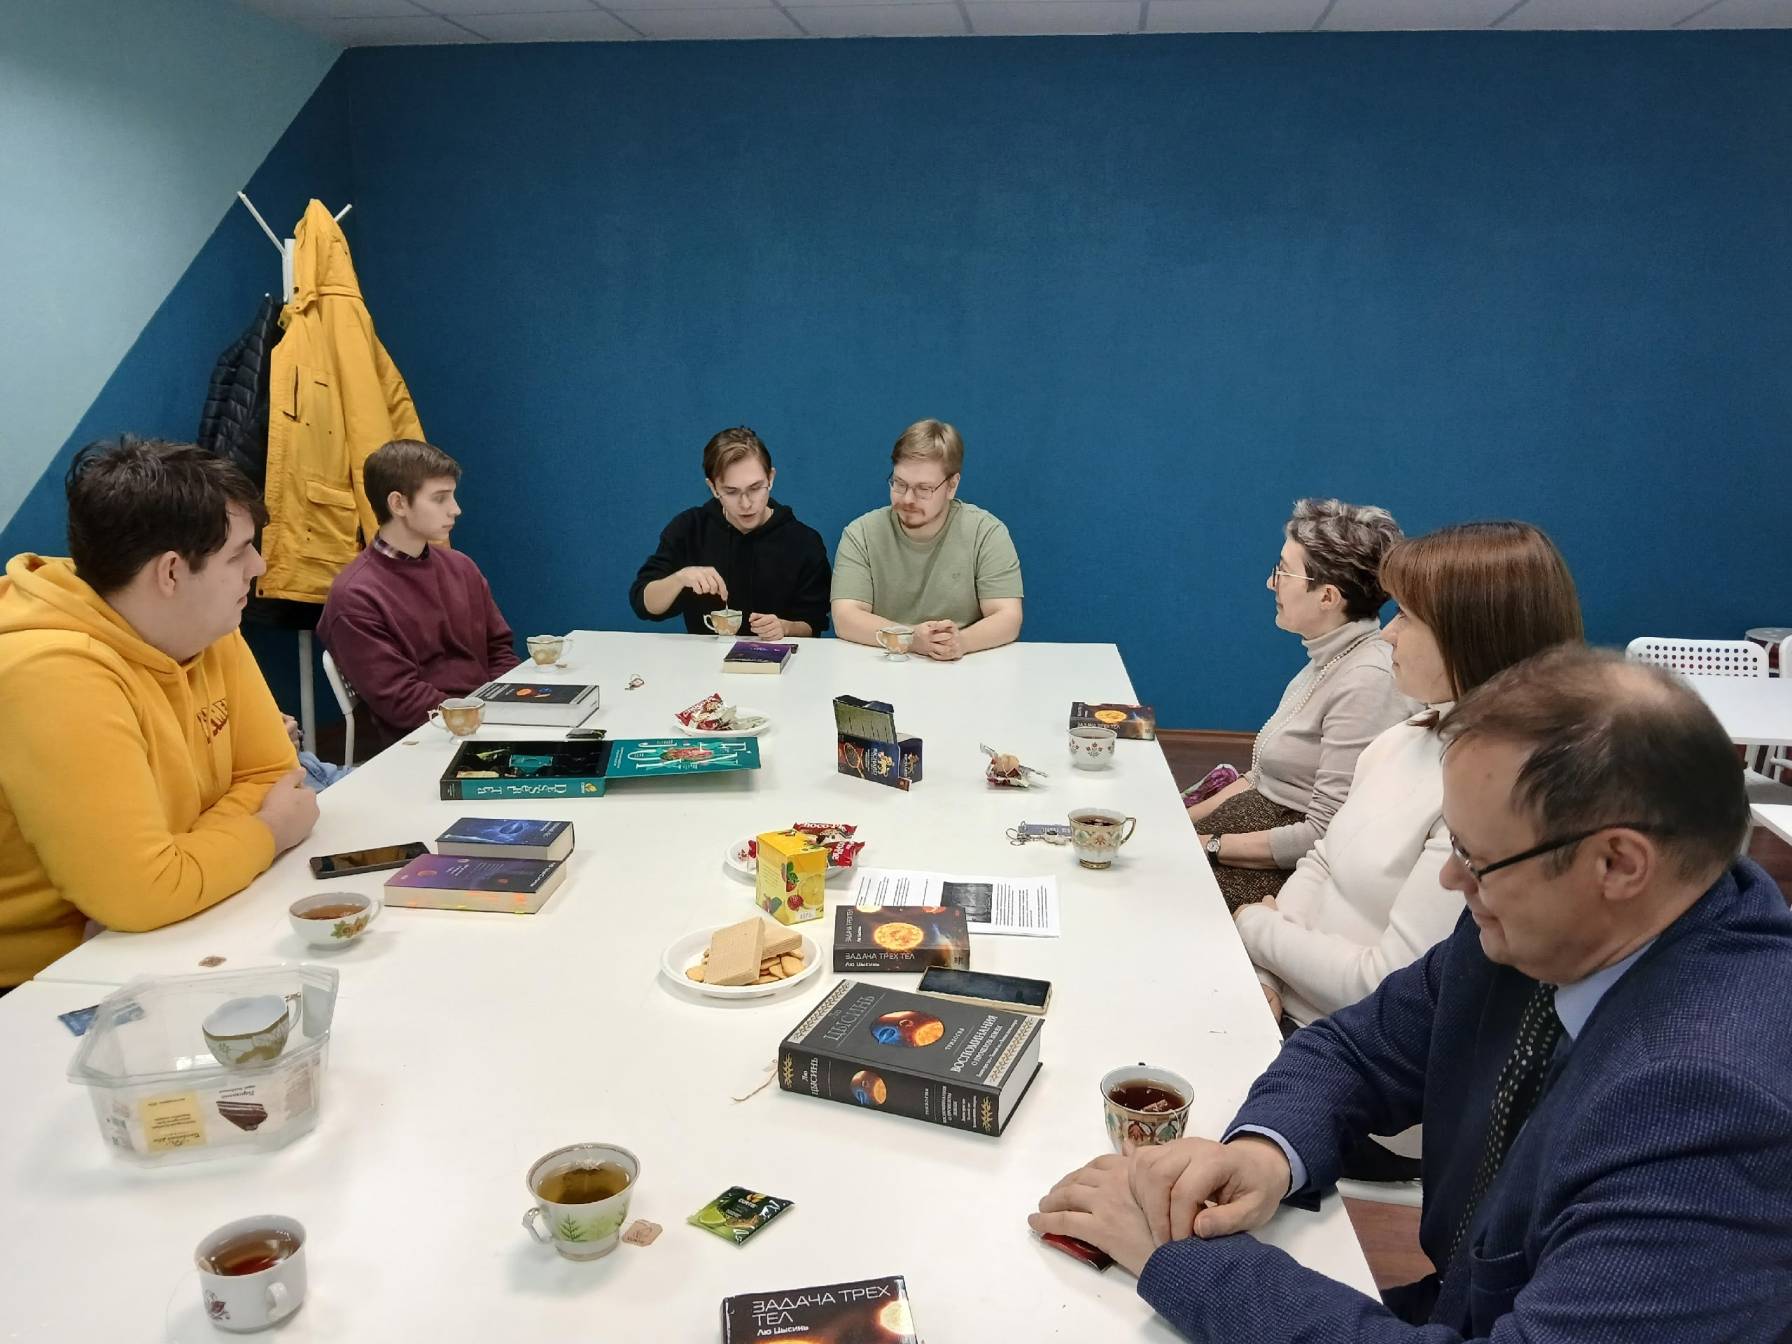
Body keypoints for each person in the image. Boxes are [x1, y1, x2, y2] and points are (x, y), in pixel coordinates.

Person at [1030, 647, 1792, 1342]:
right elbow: (1359, 1048)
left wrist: (1184, 1262)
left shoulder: (1717, 1106)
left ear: (1619, 864)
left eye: (1476, 857)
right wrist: (1265, 1154)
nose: (1453, 880)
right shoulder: (1554, 922)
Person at [0, 437, 319, 989]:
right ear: (170, 572)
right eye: (239, 553)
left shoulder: (205, 621)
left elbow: (274, 774)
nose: (259, 566)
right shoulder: (48, 669)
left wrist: (181, 862)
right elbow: (138, 895)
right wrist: (268, 830)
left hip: (169, 927)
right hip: (49, 981)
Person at [1188, 499, 1409, 910]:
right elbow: (1262, 777)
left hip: (1282, 872)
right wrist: (1182, 820)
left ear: (1327, 597)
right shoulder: (1328, 658)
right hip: (1247, 836)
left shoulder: (1367, 680)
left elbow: (1325, 833)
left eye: (1283, 571)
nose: (1270, 583)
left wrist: (1207, 844)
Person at [317, 439, 518, 743]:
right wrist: (483, 720)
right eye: (440, 499)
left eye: (452, 496)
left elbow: (499, 649)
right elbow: (400, 700)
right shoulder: (354, 596)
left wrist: (510, 709)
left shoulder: (461, 567)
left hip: (485, 721)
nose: (456, 509)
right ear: (398, 504)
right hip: (423, 740)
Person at [830, 419, 1022, 660]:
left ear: (952, 485)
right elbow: (845, 618)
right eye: (899, 484)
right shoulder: (861, 534)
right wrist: (910, 638)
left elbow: (1008, 616)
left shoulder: (986, 533)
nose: (907, 499)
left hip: (963, 665)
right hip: (883, 662)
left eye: (924, 489)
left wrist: (961, 642)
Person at [628, 426, 832, 639]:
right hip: (705, 658)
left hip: (779, 655)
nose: (746, 504)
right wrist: (680, 578)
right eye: (731, 492)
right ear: (713, 487)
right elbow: (644, 603)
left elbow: (813, 624)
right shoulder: (689, 529)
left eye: (755, 488)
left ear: (770, 478)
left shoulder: (803, 542)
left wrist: (785, 627)